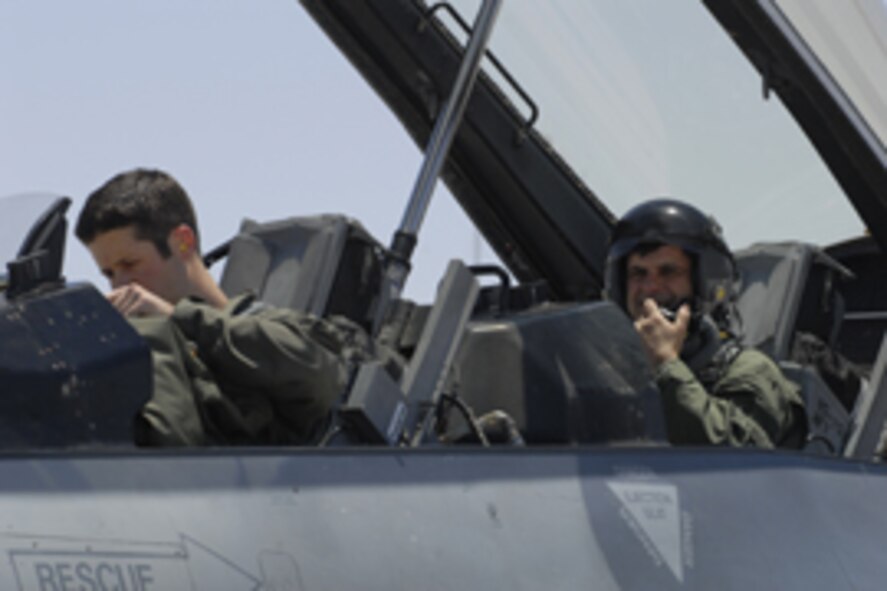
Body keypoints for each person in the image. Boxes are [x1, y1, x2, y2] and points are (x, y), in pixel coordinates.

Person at [75, 168, 356, 447]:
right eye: (109, 274)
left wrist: (178, 318)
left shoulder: (270, 329)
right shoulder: (129, 355)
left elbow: (320, 374)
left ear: (182, 242)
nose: (120, 285)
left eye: (130, 264)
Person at [604, 198, 805, 448]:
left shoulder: (749, 371)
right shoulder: (605, 370)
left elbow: (737, 456)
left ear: (704, 283)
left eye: (668, 271)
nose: (650, 288)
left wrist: (665, 364)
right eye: (638, 273)